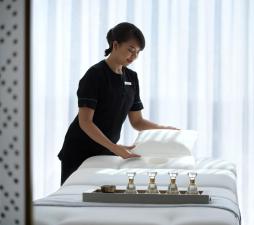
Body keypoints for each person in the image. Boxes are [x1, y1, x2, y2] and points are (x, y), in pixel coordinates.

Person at [58, 22, 177, 185]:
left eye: (138, 52)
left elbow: (137, 121)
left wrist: (165, 129)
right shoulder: (95, 75)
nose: (134, 56)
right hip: (79, 150)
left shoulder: (131, 78)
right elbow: (85, 122)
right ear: (115, 45)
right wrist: (115, 148)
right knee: (74, 198)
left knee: (102, 198)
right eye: (130, 49)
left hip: (106, 151)